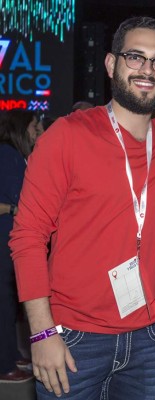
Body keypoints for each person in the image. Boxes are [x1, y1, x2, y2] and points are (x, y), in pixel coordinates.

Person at [9, 16, 155, 399]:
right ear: (110, 64)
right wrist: (42, 331)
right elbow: (27, 235)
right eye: (135, 57)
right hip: (73, 338)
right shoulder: (67, 136)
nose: (147, 70)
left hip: (151, 336)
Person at [0, 109, 42, 383]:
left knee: (7, 300)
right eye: (34, 128)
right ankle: (4, 365)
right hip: (4, 239)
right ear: (22, 129)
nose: (38, 132)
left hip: (9, 238)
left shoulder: (13, 155)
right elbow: (20, 200)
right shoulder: (8, 156)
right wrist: (15, 208)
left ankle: (10, 355)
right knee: (3, 302)